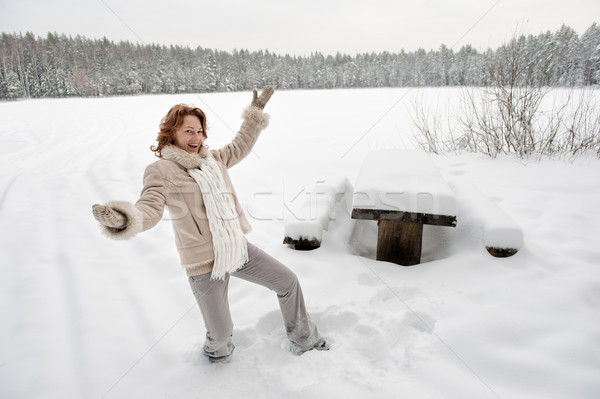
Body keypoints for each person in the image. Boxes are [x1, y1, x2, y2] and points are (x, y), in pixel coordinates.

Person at [92, 86, 327, 363]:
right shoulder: (161, 171)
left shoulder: (213, 160)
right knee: (221, 333)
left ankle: (305, 340)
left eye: (200, 130)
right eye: (188, 131)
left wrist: (254, 116)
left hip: (236, 249)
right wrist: (125, 219)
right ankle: (214, 361)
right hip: (204, 264)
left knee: (288, 282)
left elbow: (240, 144)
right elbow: (150, 207)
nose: (196, 137)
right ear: (172, 133)